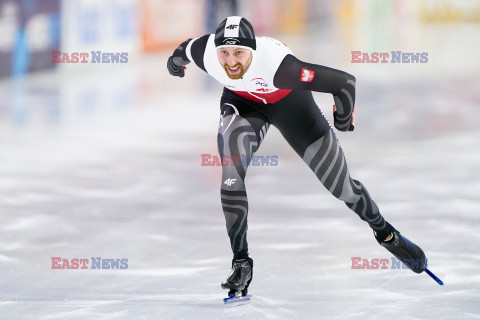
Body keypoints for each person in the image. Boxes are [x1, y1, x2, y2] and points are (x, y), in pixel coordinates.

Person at [167, 16, 427, 298]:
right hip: (243, 104)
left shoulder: (283, 68)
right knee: (231, 175)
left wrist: (342, 118)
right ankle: (241, 262)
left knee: (342, 188)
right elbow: (183, 51)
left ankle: (385, 232)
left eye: (239, 52)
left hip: (292, 105)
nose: (230, 62)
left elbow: (344, 83)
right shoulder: (206, 52)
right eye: (225, 53)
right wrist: (174, 64)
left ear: (253, 50)